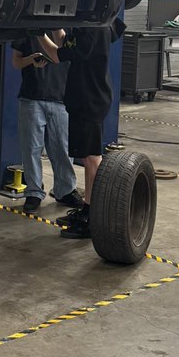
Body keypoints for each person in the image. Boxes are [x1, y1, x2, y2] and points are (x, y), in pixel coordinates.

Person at [38, 16, 125, 240]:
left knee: (91, 159)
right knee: (88, 157)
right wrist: (56, 26)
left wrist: (37, 33)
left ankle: (91, 217)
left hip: (89, 99)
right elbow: (66, 42)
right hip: (87, 97)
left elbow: (57, 55)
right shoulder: (97, 23)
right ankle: (88, 209)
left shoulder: (92, 31)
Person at [10, 36, 82, 215]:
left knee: (63, 149)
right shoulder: (27, 31)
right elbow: (16, 62)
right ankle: (34, 192)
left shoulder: (67, 33)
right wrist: (31, 60)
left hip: (61, 98)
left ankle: (65, 190)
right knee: (31, 148)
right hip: (31, 98)